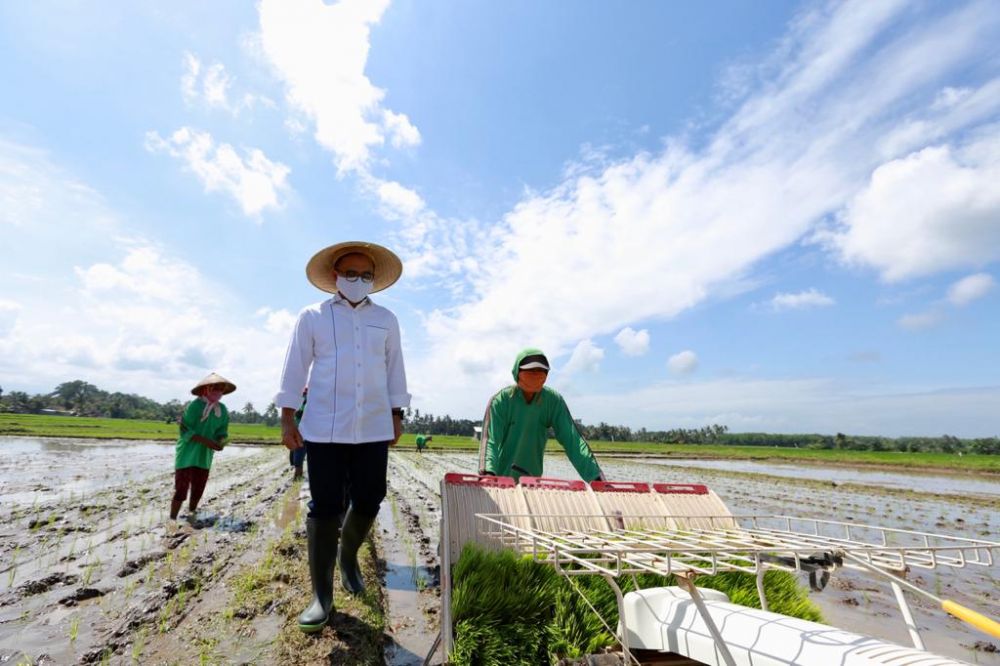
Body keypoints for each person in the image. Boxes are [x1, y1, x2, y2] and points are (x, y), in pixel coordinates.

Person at [275, 240, 409, 633]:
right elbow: (295, 367)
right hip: (324, 426)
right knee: (325, 505)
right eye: (350, 273)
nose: (357, 280)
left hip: (371, 425)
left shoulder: (386, 319)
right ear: (335, 276)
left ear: (373, 280)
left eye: (365, 275)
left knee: (370, 497)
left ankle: (348, 557)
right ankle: (321, 595)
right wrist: (287, 417)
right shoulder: (312, 316)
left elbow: (394, 369)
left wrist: (396, 413)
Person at [478, 348, 603, 483]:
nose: (535, 374)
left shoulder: (552, 402)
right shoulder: (501, 402)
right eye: (530, 370)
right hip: (500, 482)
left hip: (532, 481)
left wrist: (596, 479)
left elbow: (573, 441)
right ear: (517, 372)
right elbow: (491, 440)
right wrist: (488, 474)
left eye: (540, 371)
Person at [171, 372, 234, 523]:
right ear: (206, 389)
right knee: (181, 488)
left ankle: (192, 513)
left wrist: (220, 441)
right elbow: (185, 430)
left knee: (198, 488)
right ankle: (172, 519)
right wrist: (206, 441)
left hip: (204, 455)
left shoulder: (222, 410)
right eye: (215, 389)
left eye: (221, 390)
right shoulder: (195, 406)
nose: (218, 392)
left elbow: (222, 431)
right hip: (187, 453)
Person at [289, 388, 308, 480]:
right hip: (302, 429)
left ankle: (297, 471)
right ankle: (297, 473)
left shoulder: (300, 400)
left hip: (300, 428)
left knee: (298, 449)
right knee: (300, 449)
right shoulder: (304, 400)